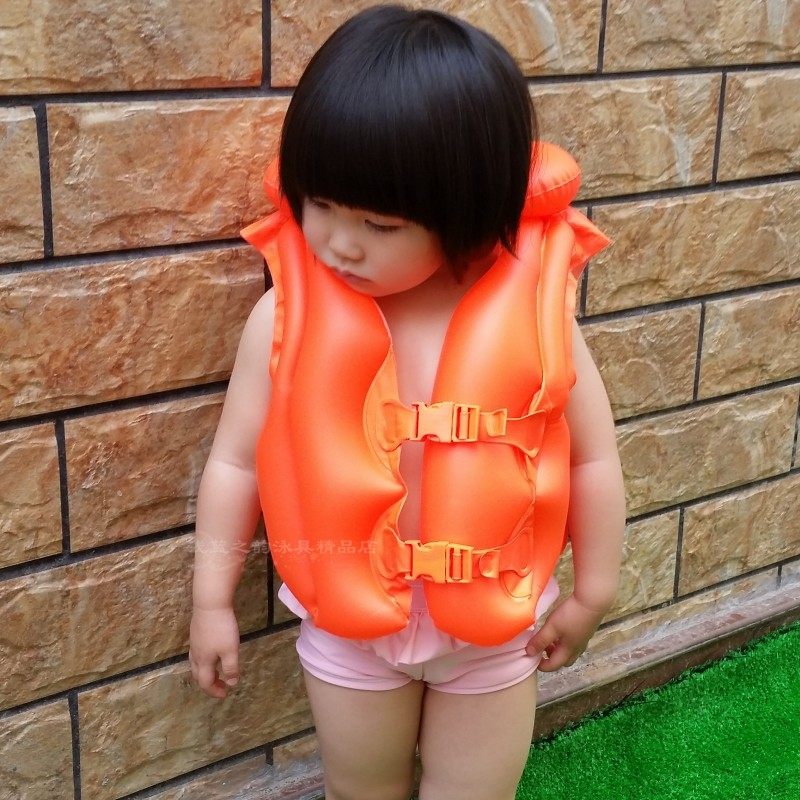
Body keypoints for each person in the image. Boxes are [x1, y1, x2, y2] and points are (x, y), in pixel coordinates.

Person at [189, 5, 625, 800]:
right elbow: (235, 463)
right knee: (359, 790)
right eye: (319, 204)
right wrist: (211, 600)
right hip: (349, 631)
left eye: (379, 224)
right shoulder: (285, 319)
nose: (338, 242)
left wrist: (596, 589)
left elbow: (592, 458)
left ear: (469, 213)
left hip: (496, 628)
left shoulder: (536, 323)